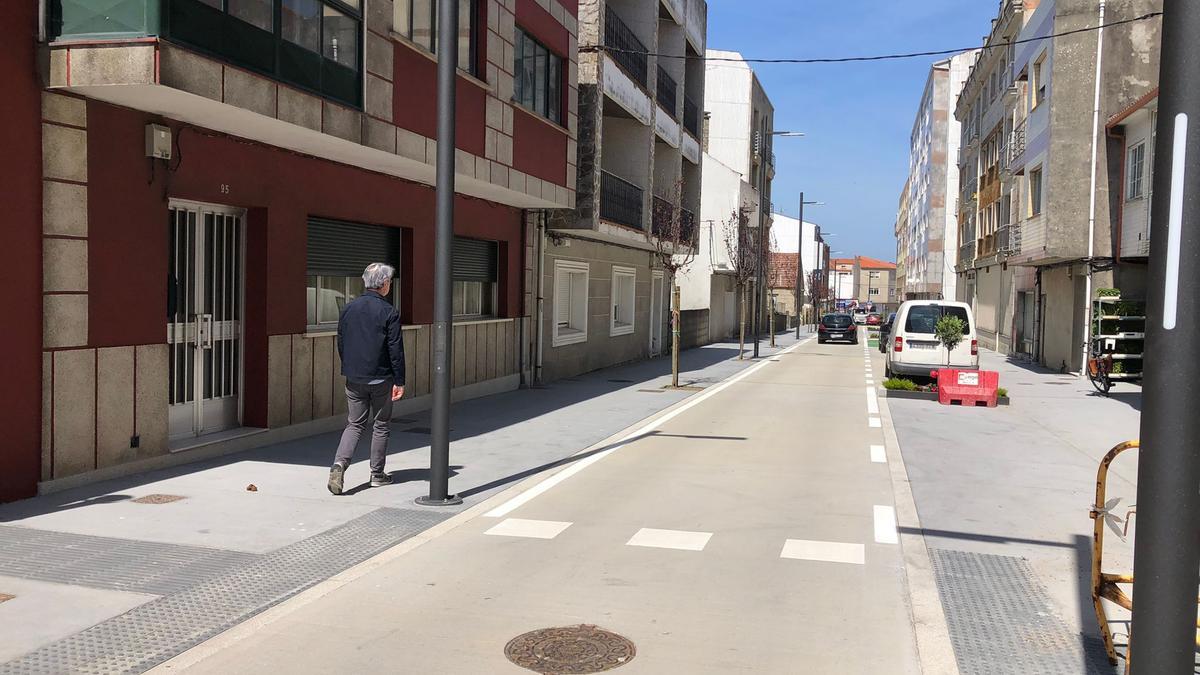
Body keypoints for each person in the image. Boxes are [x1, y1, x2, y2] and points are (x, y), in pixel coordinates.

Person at [327, 262, 406, 495]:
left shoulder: (348, 309)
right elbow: (395, 349)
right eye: (389, 281)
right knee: (381, 425)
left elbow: (341, 341)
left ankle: (339, 464)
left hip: (354, 376)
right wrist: (399, 380)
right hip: (381, 377)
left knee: (355, 424)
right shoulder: (389, 312)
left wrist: (350, 366)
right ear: (383, 284)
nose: (389, 285)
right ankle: (377, 474)